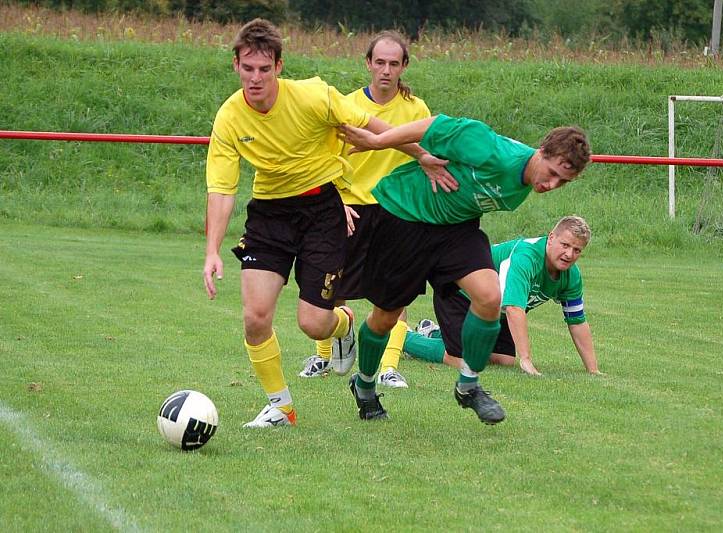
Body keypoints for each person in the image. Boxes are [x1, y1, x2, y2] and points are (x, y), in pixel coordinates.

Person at [202, 19, 453, 429]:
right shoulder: (230, 117)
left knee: (312, 322)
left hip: (322, 210)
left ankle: (344, 325)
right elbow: (222, 189)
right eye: (248, 68)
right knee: (255, 317)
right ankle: (281, 406)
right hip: (269, 215)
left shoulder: (314, 96)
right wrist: (212, 250)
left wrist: (422, 156)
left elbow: (373, 126)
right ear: (236, 66)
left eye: (264, 69)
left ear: (279, 66)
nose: (255, 78)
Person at [339, 114, 591, 424]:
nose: (551, 185)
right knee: (386, 317)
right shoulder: (492, 150)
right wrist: (378, 142)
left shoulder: (525, 181)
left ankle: (468, 386)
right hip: (405, 215)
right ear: (541, 152)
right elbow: (435, 125)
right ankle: (364, 385)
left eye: (562, 182)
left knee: (489, 296)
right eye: (552, 173)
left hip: (456, 229)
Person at [297, 30, 431, 390]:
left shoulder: (416, 109)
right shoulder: (347, 105)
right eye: (379, 62)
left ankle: (388, 366)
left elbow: (424, 161)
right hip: (351, 205)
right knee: (332, 287)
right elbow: (328, 157)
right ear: (368, 64)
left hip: (397, 210)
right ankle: (325, 355)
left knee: (395, 293)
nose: (386, 70)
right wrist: (335, 199)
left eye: (394, 63)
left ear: (404, 67)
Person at [403, 216, 601, 376]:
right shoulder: (526, 257)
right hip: (459, 289)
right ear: (551, 238)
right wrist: (526, 360)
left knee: (503, 361)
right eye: (565, 245)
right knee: (463, 360)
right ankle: (402, 338)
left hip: (492, 307)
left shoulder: (571, 276)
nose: (569, 254)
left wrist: (593, 370)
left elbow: (577, 321)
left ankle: (433, 332)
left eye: (577, 250)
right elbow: (514, 308)